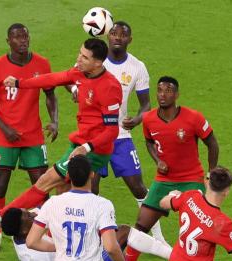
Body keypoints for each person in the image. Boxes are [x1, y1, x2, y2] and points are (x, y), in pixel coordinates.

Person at [0, 38, 122, 229]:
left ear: (98, 63)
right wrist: (20, 83)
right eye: (79, 53)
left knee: (46, 180)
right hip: (80, 144)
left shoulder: (110, 87)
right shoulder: (80, 73)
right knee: (62, 194)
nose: (78, 59)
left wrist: (86, 148)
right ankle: (57, 240)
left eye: (84, 57)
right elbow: (51, 78)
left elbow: (112, 131)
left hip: (95, 149)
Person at [70, 21, 166, 244]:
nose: (117, 37)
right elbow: (71, 79)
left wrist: (138, 119)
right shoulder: (94, 61)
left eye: (123, 35)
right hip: (92, 137)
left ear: (129, 40)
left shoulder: (137, 67)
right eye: (114, 33)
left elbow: (146, 105)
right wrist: (75, 89)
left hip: (120, 136)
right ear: (107, 35)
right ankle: (91, 237)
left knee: (137, 186)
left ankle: (158, 237)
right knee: (90, 188)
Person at [125, 76, 220, 261]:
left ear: (176, 95)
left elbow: (212, 143)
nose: (163, 94)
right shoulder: (149, 118)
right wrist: (158, 160)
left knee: (200, 226)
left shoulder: (193, 117)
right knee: (141, 224)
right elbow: (149, 141)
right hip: (164, 180)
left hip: (192, 180)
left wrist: (211, 174)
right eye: (160, 90)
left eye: (168, 91)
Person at [0, 23, 58, 253]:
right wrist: (4, 128)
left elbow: (51, 95)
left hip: (33, 136)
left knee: (43, 185)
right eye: (17, 37)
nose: (22, 40)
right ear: (8, 41)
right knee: (0, 186)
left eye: (25, 36)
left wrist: (54, 120)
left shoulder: (42, 64)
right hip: (5, 138)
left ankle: (50, 232)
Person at [25, 155, 135, 261]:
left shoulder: (52, 203)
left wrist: (60, 247)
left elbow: (31, 241)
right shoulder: (102, 205)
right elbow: (110, 247)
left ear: (68, 175)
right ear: (92, 174)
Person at [1, 207, 170, 261]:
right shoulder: (34, 258)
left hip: (85, 258)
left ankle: (173, 256)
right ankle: (175, 256)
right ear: (23, 232)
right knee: (123, 233)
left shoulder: (25, 229)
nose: (33, 214)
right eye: (29, 217)